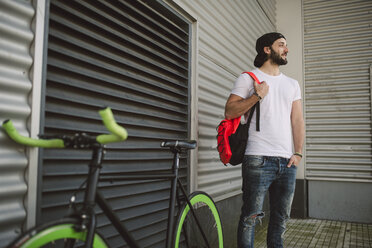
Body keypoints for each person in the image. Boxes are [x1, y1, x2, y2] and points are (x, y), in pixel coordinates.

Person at [224, 32, 305, 248]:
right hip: (257, 158)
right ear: (267, 50)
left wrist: (297, 153)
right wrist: (256, 96)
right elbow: (230, 111)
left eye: (286, 45)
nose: (286, 49)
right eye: (281, 45)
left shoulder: (292, 84)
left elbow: (297, 121)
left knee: (280, 219)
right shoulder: (248, 78)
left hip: (287, 162)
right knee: (250, 218)